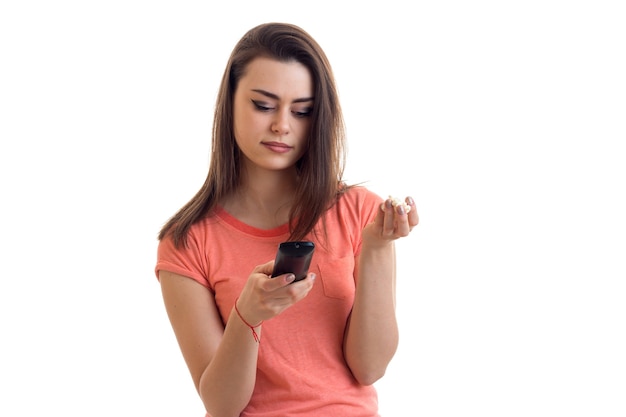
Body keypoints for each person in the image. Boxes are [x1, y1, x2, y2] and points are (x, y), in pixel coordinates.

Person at [154, 22, 419, 417]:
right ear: (230, 102)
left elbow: (370, 367)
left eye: (302, 111)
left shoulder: (360, 212)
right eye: (263, 105)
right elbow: (221, 404)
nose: (282, 125)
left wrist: (378, 248)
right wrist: (249, 315)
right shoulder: (187, 242)